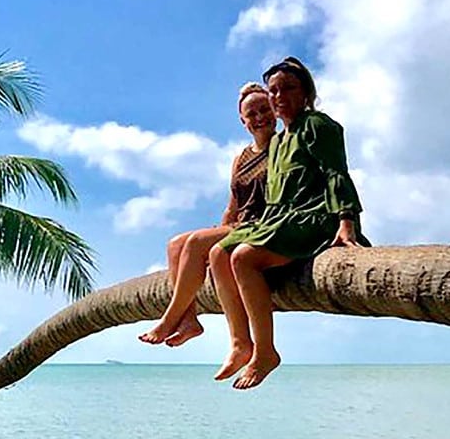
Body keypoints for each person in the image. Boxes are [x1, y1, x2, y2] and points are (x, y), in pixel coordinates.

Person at [209, 57, 370, 389]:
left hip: (315, 217)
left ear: (306, 92)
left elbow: (335, 174)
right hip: (279, 220)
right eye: (274, 91)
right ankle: (241, 343)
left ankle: (265, 352)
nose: (279, 97)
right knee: (219, 252)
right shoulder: (280, 141)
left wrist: (346, 222)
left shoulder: (318, 126)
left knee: (243, 257)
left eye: (288, 89)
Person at [138, 82, 276, 347]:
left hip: (264, 224)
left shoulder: (283, 147)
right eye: (252, 114)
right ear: (242, 120)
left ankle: (169, 320)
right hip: (240, 224)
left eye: (264, 109)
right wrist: (220, 231)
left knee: (195, 242)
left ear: (274, 110)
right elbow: (233, 203)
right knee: (175, 244)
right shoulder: (241, 158)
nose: (259, 118)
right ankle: (189, 320)